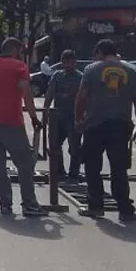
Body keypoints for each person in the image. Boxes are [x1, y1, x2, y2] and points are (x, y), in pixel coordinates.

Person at [74, 39, 136, 222]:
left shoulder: (91, 70)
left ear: (99, 52)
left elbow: (81, 97)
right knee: (119, 169)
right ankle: (125, 210)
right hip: (121, 126)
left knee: (92, 167)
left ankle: (96, 206)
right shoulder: (130, 71)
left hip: (95, 126)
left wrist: (78, 119)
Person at [0, 37, 45, 218]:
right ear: (14, 50)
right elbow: (26, 92)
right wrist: (33, 117)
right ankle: (29, 203)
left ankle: (5, 203)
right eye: (21, 51)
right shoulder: (18, 66)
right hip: (11, 121)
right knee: (24, 163)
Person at [43, 49, 84, 181]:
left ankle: (74, 173)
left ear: (74, 62)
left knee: (74, 147)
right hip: (58, 116)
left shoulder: (80, 77)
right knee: (54, 145)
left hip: (74, 116)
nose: (68, 64)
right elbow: (50, 94)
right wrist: (45, 111)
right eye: (65, 61)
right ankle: (59, 171)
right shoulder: (57, 76)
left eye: (70, 61)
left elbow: (85, 97)